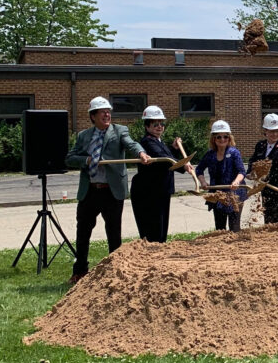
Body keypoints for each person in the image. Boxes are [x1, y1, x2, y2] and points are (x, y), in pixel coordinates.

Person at [65, 96, 152, 284]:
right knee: (83, 232)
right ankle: (80, 271)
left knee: (114, 232)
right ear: (93, 116)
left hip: (111, 191)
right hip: (89, 191)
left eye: (108, 111)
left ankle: (115, 271)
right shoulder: (84, 136)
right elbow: (70, 157)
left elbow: (131, 143)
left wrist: (141, 152)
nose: (107, 114)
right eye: (102, 112)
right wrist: (86, 160)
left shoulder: (119, 131)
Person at [130, 106, 192, 243]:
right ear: (147, 126)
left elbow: (166, 155)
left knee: (162, 226)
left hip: (161, 190)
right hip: (150, 191)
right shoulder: (147, 142)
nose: (159, 127)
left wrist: (174, 149)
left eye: (161, 124)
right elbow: (162, 159)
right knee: (154, 229)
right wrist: (183, 164)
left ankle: (159, 249)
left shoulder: (158, 142)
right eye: (155, 124)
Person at [195, 120, 247, 231]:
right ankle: (221, 248)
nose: (222, 139)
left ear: (229, 138)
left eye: (225, 136)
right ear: (214, 139)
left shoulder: (234, 153)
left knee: (234, 227)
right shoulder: (210, 154)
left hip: (234, 194)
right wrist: (203, 182)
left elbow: (242, 171)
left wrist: (236, 181)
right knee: (220, 227)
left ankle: (236, 246)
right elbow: (199, 169)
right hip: (217, 195)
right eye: (219, 137)